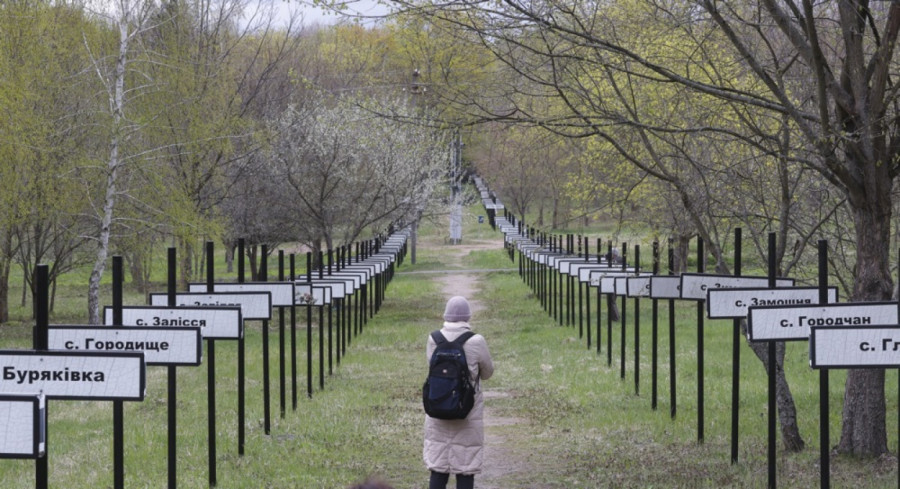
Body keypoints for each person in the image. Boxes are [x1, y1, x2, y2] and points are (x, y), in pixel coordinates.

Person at [423, 296, 495, 489]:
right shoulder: (476, 341)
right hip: (467, 410)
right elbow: (487, 373)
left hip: (437, 407)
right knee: (465, 467)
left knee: (438, 466)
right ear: (467, 317)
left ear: (446, 315)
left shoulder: (433, 339)